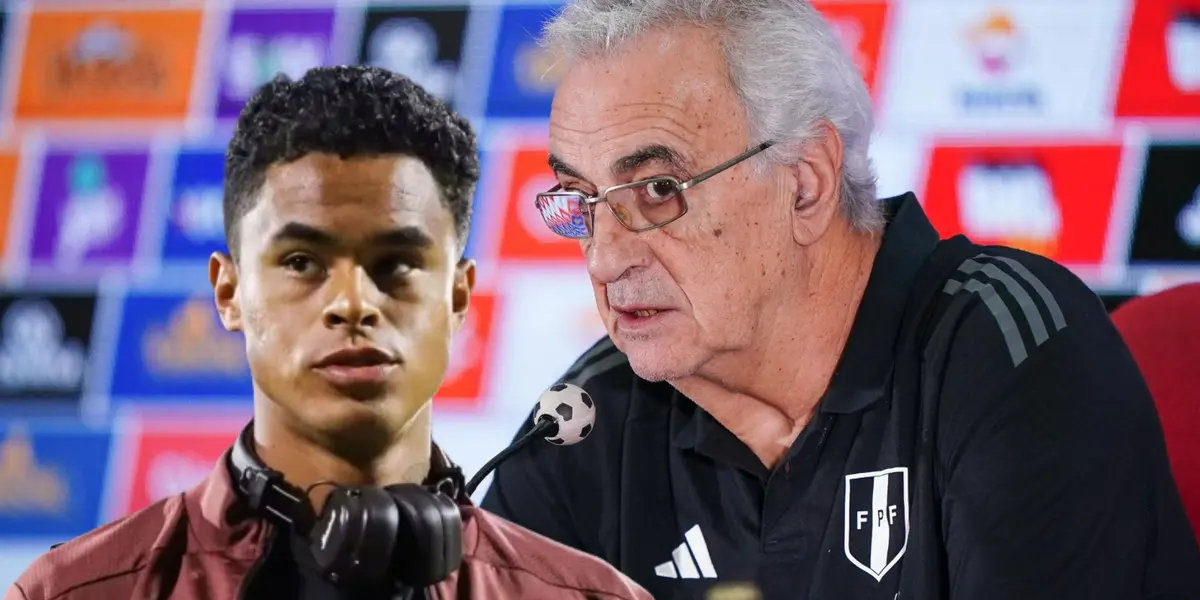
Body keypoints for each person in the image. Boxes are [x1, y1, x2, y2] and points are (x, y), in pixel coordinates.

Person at [480, 1, 1200, 599]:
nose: (605, 257)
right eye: (579, 198)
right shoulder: (586, 421)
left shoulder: (1013, 351)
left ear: (806, 182)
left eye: (659, 190)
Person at [6, 66, 651, 600]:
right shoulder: (71, 593)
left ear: (457, 296)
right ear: (229, 292)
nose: (352, 303)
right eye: (301, 262)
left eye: (396, 263)